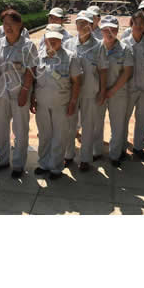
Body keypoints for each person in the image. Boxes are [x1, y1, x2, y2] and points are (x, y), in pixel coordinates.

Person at [0, 9, 38, 178]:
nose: (8, 27)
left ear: (20, 25)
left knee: (20, 129)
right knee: (1, 128)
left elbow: (31, 70)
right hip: (1, 93)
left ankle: (18, 164)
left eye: (12, 23)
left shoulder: (28, 46)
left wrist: (25, 91)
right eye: (5, 24)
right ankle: (2, 160)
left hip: (20, 93)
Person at [31, 24, 82, 179]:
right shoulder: (38, 56)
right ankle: (43, 164)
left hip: (62, 105)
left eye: (56, 38)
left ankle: (55, 167)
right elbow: (33, 80)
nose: (52, 41)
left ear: (62, 39)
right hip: (42, 104)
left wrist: (73, 102)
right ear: (45, 38)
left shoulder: (70, 57)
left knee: (59, 137)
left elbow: (77, 82)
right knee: (44, 135)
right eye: (49, 38)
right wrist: (32, 98)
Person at [65, 10, 108, 171]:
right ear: (75, 24)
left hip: (90, 92)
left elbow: (103, 71)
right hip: (71, 92)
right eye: (80, 22)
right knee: (70, 124)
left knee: (88, 125)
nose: (82, 26)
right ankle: (68, 155)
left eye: (86, 23)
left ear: (92, 25)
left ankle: (85, 159)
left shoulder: (99, 46)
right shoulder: (68, 43)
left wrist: (102, 92)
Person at [96, 15, 133, 167]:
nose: (109, 32)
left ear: (118, 31)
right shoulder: (96, 47)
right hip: (98, 92)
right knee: (96, 123)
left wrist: (111, 91)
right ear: (101, 30)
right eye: (106, 29)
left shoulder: (125, 49)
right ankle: (96, 151)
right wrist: (102, 91)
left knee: (117, 125)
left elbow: (127, 72)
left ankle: (115, 155)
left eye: (113, 29)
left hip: (118, 92)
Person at [122, 10, 144, 160]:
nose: (138, 26)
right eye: (135, 23)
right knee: (124, 118)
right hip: (128, 88)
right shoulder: (124, 43)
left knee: (143, 119)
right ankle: (121, 147)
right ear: (131, 24)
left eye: (141, 24)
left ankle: (138, 147)